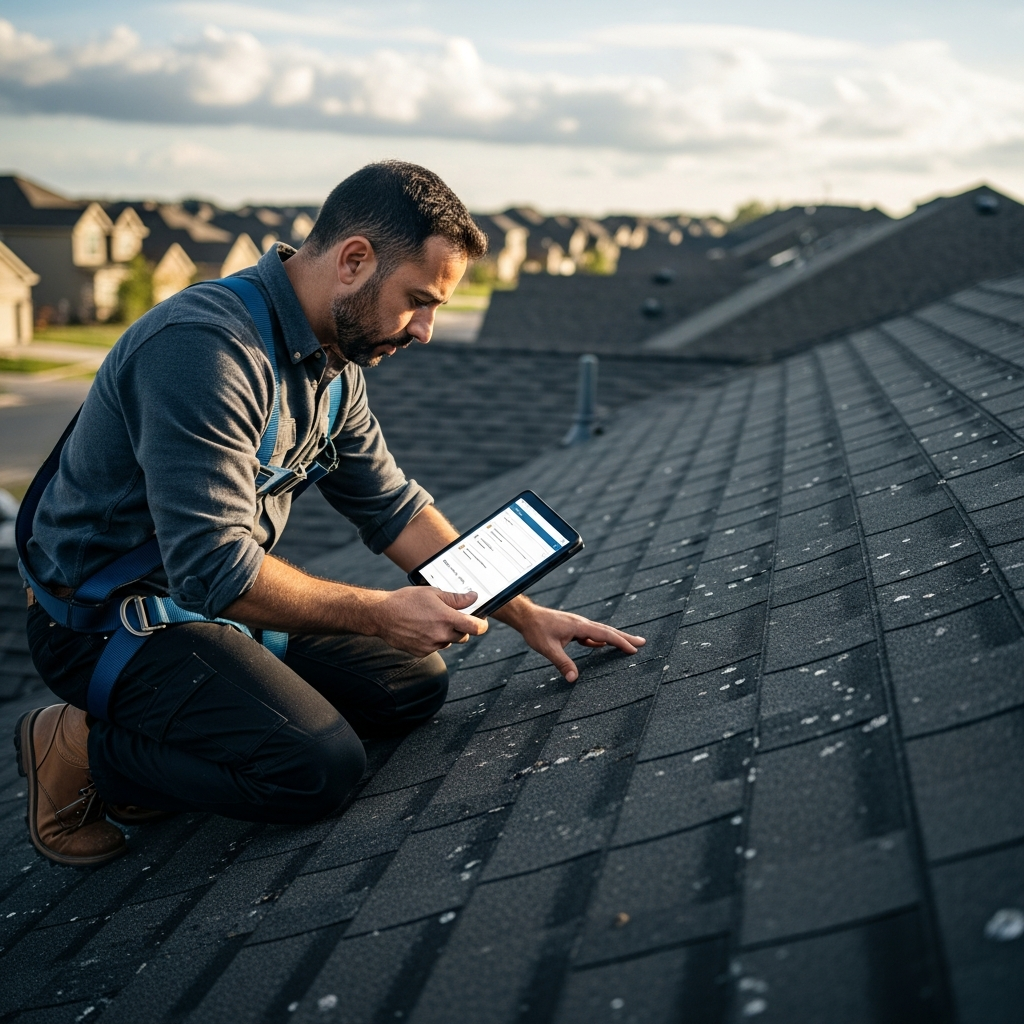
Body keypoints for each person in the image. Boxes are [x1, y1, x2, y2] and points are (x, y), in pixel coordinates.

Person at [15, 161, 645, 867]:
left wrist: (525, 613)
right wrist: (379, 612)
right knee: (315, 769)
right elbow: (215, 570)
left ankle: (168, 742)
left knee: (412, 685)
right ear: (353, 261)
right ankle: (84, 748)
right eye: (418, 300)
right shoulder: (204, 350)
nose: (427, 330)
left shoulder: (333, 361)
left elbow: (393, 508)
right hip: (106, 623)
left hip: (206, 606)